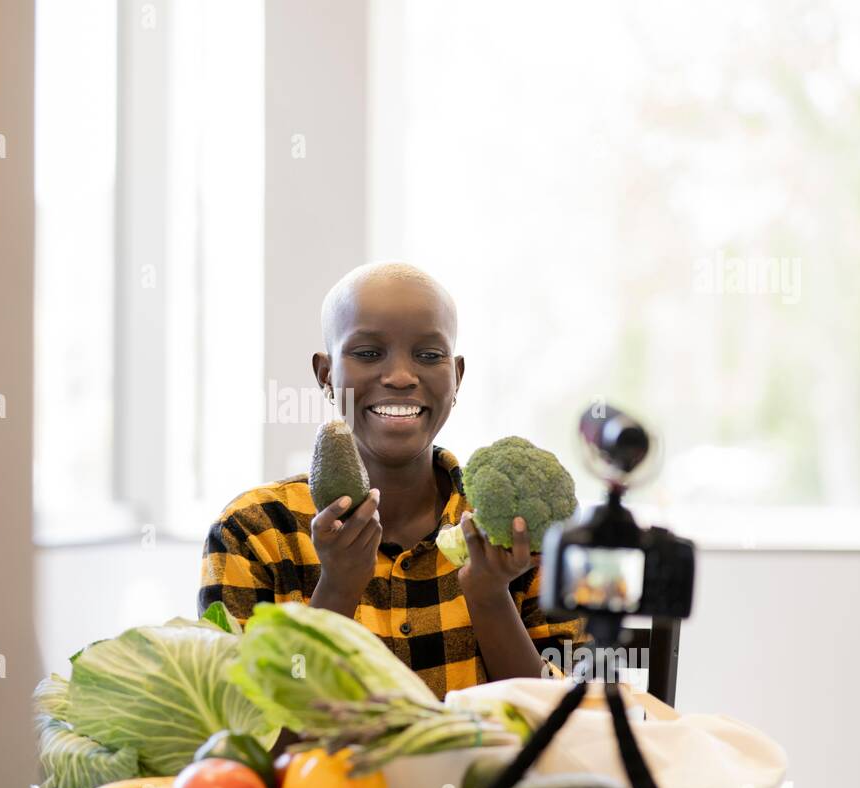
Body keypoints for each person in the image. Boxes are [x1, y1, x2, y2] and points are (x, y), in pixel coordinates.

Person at [198, 262, 588, 702]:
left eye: (428, 355)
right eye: (367, 353)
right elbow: (246, 739)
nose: (401, 376)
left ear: (456, 376)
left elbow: (569, 729)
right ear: (326, 376)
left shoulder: (518, 530)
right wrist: (337, 590)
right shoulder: (253, 532)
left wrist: (489, 595)